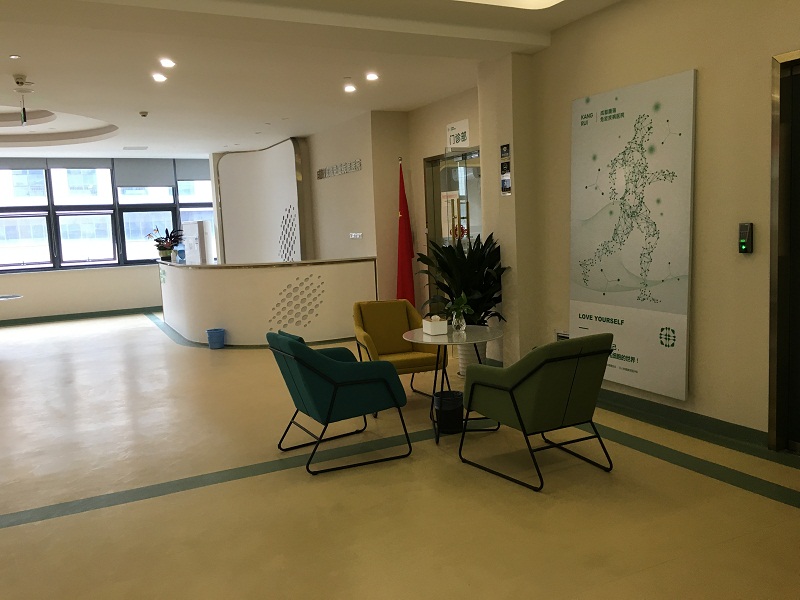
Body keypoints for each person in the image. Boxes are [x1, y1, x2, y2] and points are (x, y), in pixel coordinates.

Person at [579, 114, 676, 302]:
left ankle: (588, 264)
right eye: (648, 128)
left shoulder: (633, 151)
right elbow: (638, 180)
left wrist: (616, 190)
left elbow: (617, 167)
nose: (649, 132)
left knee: (619, 242)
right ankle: (643, 290)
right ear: (641, 129)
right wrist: (661, 175)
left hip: (633, 204)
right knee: (649, 235)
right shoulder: (634, 153)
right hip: (632, 206)